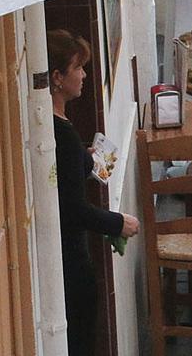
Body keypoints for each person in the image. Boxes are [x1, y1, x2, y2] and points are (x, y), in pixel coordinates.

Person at [47, 29, 140, 355]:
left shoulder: (54, 126)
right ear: (57, 77)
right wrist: (118, 223)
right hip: (71, 259)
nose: (84, 75)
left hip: (64, 254)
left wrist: (87, 162)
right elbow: (71, 208)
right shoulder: (62, 136)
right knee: (81, 337)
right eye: (78, 68)